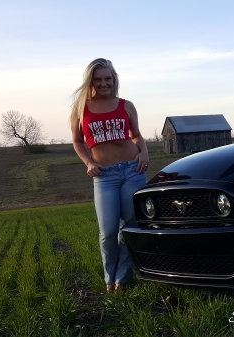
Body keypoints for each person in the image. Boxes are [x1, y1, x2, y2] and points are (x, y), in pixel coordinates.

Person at [70, 58, 149, 293]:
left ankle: (122, 279)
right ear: (90, 82)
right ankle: (109, 277)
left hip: (132, 170)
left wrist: (143, 152)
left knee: (129, 225)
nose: (104, 83)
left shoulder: (126, 105)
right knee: (107, 232)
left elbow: (137, 136)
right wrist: (88, 162)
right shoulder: (80, 108)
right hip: (104, 175)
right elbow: (77, 141)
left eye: (108, 78)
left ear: (114, 79)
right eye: (98, 79)